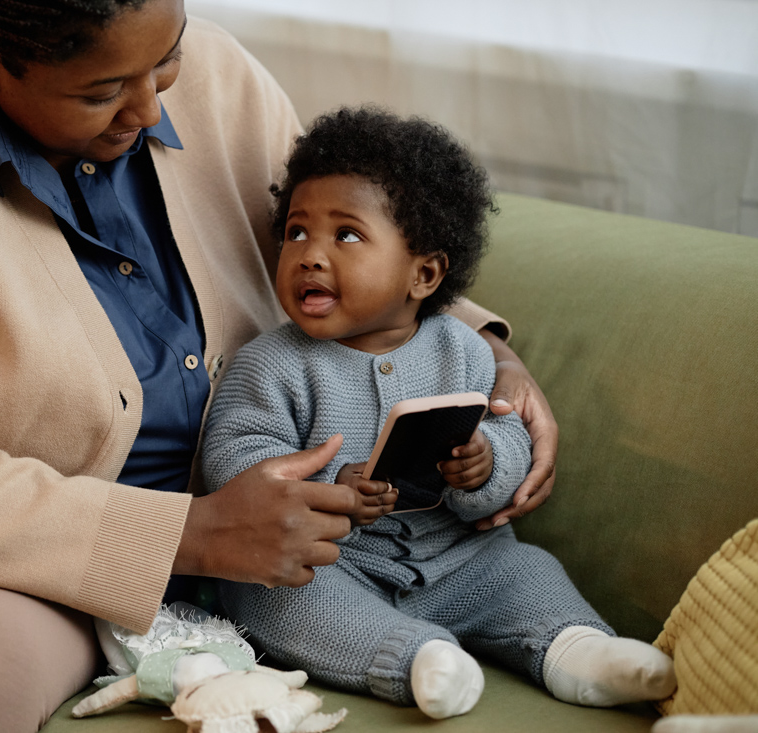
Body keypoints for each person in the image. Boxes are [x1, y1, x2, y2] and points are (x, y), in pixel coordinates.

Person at [0, 2, 556, 731]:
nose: (152, 106)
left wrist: (484, 350)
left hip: (15, 532)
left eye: (163, 60)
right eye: (101, 92)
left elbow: (339, 240)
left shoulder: (212, 80)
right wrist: (193, 535)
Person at [201, 107, 677, 720]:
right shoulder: (269, 363)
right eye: (296, 232)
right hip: (338, 564)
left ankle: (577, 649)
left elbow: (508, 438)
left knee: (526, 570)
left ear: (423, 273)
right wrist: (326, 488)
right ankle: (421, 660)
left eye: (345, 235)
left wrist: (484, 466)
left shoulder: (466, 350)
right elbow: (234, 455)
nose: (310, 255)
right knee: (272, 596)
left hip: (462, 557)